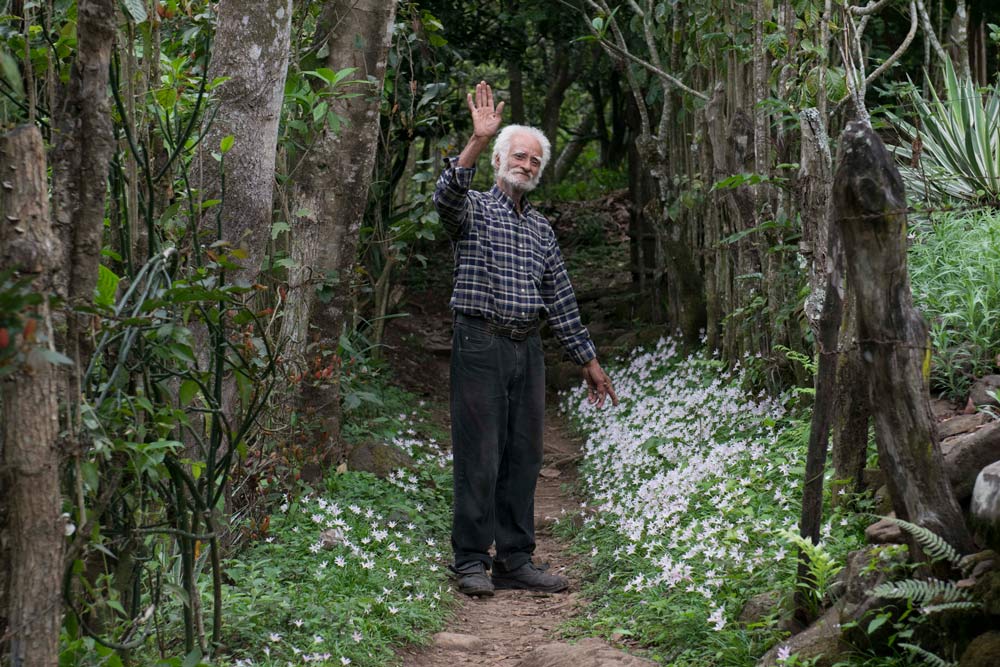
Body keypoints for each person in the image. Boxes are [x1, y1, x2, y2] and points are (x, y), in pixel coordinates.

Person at [433, 81, 619, 596]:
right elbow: (445, 197)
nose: (528, 165)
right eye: (520, 155)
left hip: (526, 349)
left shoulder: (541, 231)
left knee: (524, 455)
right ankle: (470, 559)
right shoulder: (473, 209)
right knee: (480, 453)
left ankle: (515, 560)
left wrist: (588, 361)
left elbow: (559, 298)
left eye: (536, 161)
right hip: (480, 343)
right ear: (498, 160)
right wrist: (474, 138)